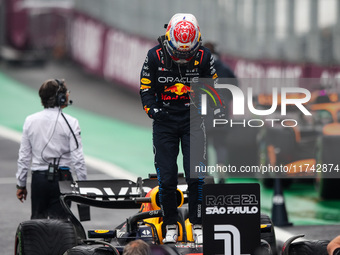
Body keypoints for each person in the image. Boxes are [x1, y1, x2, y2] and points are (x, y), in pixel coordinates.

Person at [140, 13, 221, 244]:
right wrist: (153, 111)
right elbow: (145, 89)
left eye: (188, 53)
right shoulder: (153, 56)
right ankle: (170, 225)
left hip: (193, 123)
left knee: (197, 176)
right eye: (179, 52)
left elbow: (212, 88)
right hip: (164, 122)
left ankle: (197, 224)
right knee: (166, 179)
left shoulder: (205, 56)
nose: (184, 57)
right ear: (168, 41)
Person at [16, 79, 87, 219]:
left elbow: (24, 156)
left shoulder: (30, 121)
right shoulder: (72, 122)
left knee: (37, 225)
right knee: (62, 227)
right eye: (66, 93)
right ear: (60, 98)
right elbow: (78, 158)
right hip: (64, 179)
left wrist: (21, 185)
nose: (68, 96)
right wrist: (83, 186)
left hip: (39, 179)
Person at [203, 42, 237, 184]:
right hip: (221, 113)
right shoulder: (225, 68)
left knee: (201, 147)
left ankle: (203, 176)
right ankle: (221, 169)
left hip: (203, 114)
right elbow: (235, 88)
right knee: (220, 145)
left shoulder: (198, 67)